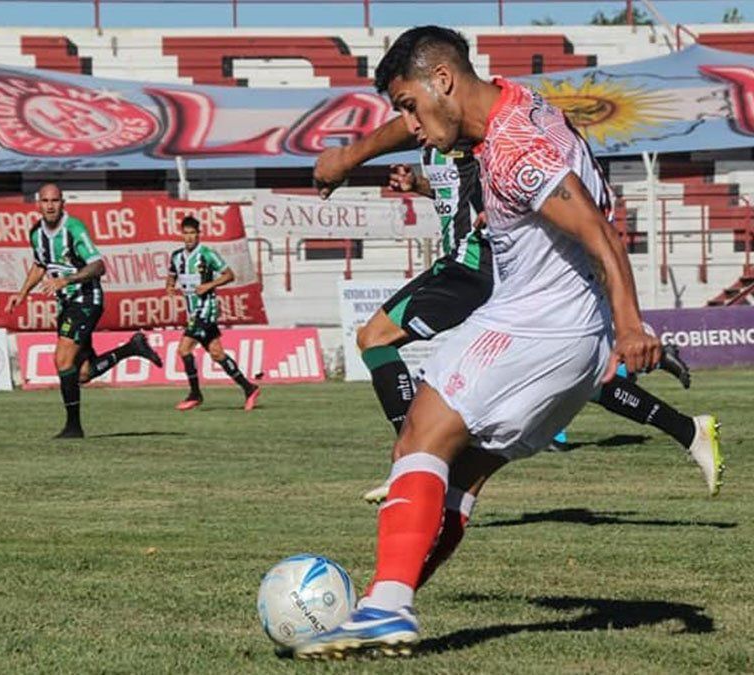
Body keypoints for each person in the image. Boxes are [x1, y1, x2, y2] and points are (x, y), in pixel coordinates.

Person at [294, 26, 675, 658]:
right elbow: (430, 120)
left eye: (410, 107)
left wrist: (632, 323)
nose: (411, 127)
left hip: (537, 323)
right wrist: (352, 155)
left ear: (442, 80)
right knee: (458, 480)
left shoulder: (517, 147)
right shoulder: (499, 106)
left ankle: (385, 608)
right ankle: (383, 606)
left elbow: (597, 231)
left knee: (418, 436)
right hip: (577, 346)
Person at [314, 82, 717, 504]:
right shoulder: (436, 135)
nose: (412, 124)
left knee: (375, 338)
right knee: (580, 375)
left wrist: (348, 157)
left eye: (412, 107)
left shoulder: (467, 128)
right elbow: (457, 188)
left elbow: (521, 180)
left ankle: (417, 462)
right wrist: (419, 185)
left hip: (477, 263)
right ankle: (688, 430)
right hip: (486, 266)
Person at [6, 183, 163, 438]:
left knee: (62, 359)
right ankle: (132, 347)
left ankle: (73, 428)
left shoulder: (74, 229)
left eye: (55, 201)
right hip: (66, 304)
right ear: (38, 205)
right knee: (82, 373)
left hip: (86, 300)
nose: (50, 206)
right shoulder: (36, 233)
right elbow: (40, 265)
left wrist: (67, 280)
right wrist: (22, 293)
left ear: (63, 203)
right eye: (45, 201)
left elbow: (99, 266)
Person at [164, 215, 260, 411]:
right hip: (192, 312)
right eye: (186, 233)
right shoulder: (176, 256)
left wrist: (209, 285)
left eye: (192, 233)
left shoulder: (207, 254)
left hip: (206, 310)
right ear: (182, 234)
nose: (189, 237)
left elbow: (229, 275)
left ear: (199, 234)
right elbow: (171, 277)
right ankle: (249, 388)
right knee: (217, 353)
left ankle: (195, 394)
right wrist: (170, 287)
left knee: (184, 349)